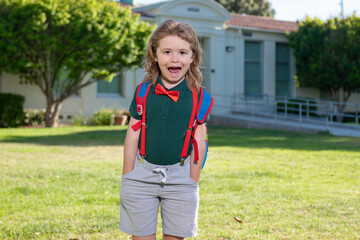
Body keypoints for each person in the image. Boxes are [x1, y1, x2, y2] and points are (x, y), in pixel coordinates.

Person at [119, 19, 212, 240]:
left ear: (192, 57)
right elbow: (132, 134)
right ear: (155, 55)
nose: (174, 58)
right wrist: (128, 175)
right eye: (167, 51)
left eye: (182, 52)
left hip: (181, 179)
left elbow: (199, 143)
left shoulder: (201, 99)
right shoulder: (142, 92)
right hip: (141, 175)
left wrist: (192, 181)